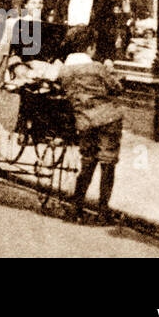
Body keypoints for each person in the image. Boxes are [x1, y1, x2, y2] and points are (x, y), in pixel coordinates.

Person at [59, 29, 125, 223]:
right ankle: (103, 211)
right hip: (108, 119)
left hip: (84, 121)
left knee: (87, 161)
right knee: (108, 162)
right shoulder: (97, 68)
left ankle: (76, 207)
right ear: (90, 47)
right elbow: (116, 87)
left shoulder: (65, 71)